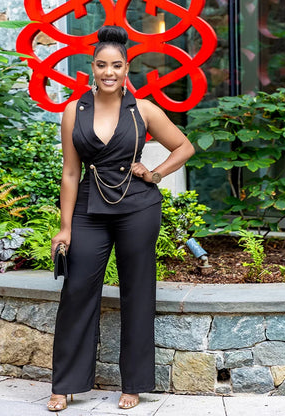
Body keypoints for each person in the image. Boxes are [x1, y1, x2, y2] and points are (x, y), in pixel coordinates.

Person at [47, 25, 195, 412]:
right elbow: (70, 173)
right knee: (77, 291)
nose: (108, 72)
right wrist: (65, 227)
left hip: (138, 209)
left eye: (116, 65)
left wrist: (156, 174)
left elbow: (184, 146)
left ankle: (134, 383)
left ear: (126, 69)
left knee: (137, 292)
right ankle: (65, 384)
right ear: (92, 68)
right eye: (101, 65)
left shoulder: (143, 110)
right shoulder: (73, 111)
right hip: (88, 210)